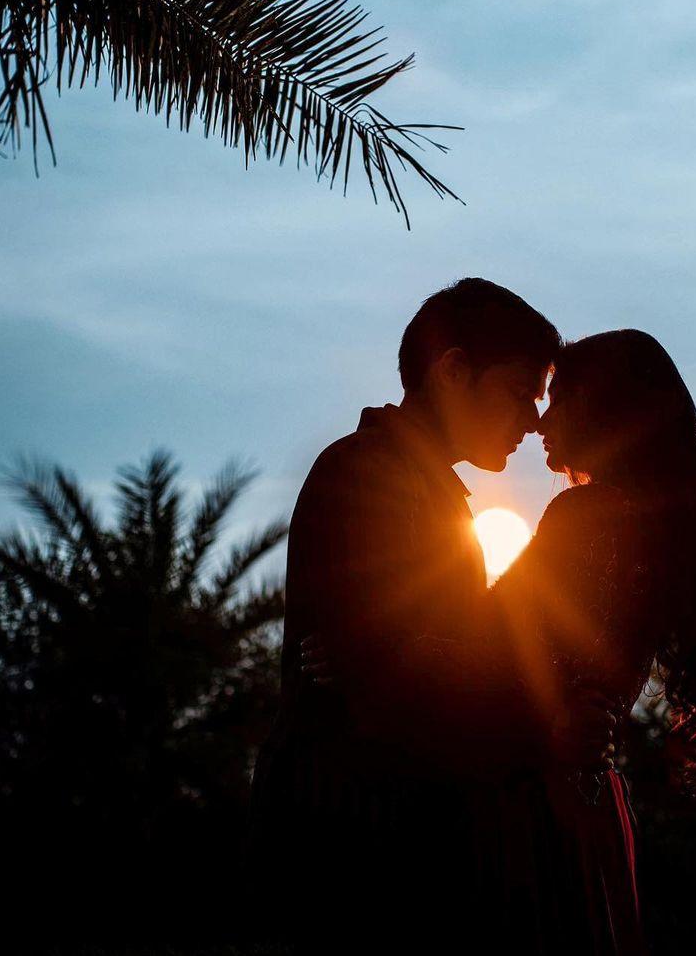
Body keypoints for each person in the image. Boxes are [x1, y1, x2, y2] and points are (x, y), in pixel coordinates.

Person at [299, 327, 696, 953]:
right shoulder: (656, 529)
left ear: (607, 409)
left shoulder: (585, 519)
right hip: (589, 800)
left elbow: (501, 653)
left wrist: (367, 647)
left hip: (532, 805)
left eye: (560, 398)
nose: (540, 421)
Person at [249, 279, 615, 953]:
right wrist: (547, 721)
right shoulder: (370, 474)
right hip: (357, 842)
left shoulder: (423, 487)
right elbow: (397, 669)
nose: (534, 421)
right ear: (452, 371)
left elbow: (423, 656)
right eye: (520, 394)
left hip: (397, 832)